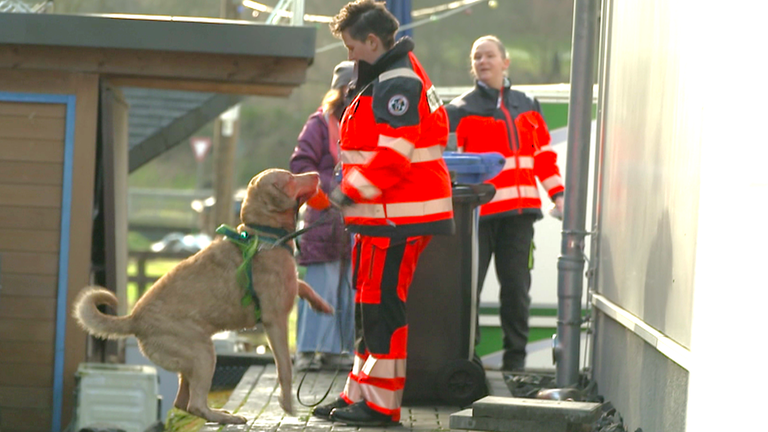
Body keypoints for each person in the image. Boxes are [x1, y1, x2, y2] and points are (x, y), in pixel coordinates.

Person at [308, 0, 455, 427]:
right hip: (386, 216)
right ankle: (359, 395)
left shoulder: (396, 83)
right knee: (369, 307)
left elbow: (394, 158)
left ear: (373, 41)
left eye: (352, 46)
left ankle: (380, 405)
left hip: (397, 216)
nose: (349, 55)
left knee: (381, 309)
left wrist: (343, 195)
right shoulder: (391, 77)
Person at [445, 35, 565, 372]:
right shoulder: (459, 110)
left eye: (489, 55)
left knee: (516, 291)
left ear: (505, 62)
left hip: (521, 217)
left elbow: (543, 157)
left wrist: (559, 195)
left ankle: (516, 365)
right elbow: (451, 163)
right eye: (477, 57)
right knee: (468, 292)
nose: (482, 62)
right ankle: (469, 361)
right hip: (477, 217)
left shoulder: (528, 105)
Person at [289, 61, 356, 372]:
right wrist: (332, 190)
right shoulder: (318, 124)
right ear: (340, 88)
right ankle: (307, 349)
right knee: (319, 285)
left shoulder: (364, 120)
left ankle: (337, 349)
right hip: (322, 217)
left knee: (347, 286)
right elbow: (301, 164)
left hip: (354, 217)